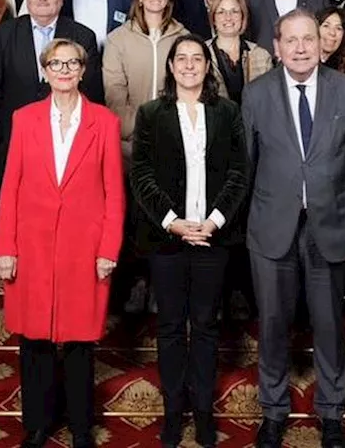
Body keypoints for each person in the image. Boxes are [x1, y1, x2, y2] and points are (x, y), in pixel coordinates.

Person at [244, 10, 345, 448]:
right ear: (277, 47)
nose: (300, 48)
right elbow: (244, 168)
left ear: (322, 43)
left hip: (331, 227)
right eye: (291, 40)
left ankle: (332, 412)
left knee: (328, 323)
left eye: (308, 39)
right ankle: (274, 410)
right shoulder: (256, 94)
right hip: (271, 229)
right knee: (274, 322)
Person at [0, 39, 125, 448]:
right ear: (45, 70)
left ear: (83, 70)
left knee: (78, 341)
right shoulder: (25, 118)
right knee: (33, 339)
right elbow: (10, 186)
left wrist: (108, 250)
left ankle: (81, 426)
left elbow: (114, 193)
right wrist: (5, 248)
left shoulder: (104, 122)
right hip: (31, 245)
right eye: (56, 63)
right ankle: (36, 423)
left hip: (83, 249)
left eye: (72, 63)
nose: (64, 70)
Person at [128, 35, 251, 448]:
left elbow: (239, 172)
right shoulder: (151, 114)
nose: (189, 65)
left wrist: (213, 222)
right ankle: (172, 414)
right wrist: (173, 222)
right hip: (168, 239)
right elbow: (141, 175)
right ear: (171, 66)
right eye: (181, 58)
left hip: (213, 238)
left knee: (205, 327)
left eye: (197, 58)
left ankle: (202, 413)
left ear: (207, 65)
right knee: (168, 327)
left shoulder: (228, 112)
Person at [0, 0, 104, 186]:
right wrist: (0, 137)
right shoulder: (5, 34)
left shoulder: (83, 36)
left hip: (68, 142)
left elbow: (92, 93)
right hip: (15, 143)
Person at [101, 0, 190, 152]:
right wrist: (142, 126)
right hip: (132, 143)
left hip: (175, 139)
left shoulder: (184, 38)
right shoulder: (117, 39)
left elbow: (189, 90)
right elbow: (114, 94)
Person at [206, 0, 274, 104]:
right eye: (221, 12)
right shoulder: (201, 53)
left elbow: (269, 99)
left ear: (243, 17)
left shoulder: (261, 55)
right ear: (213, 19)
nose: (228, 17)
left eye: (234, 11)